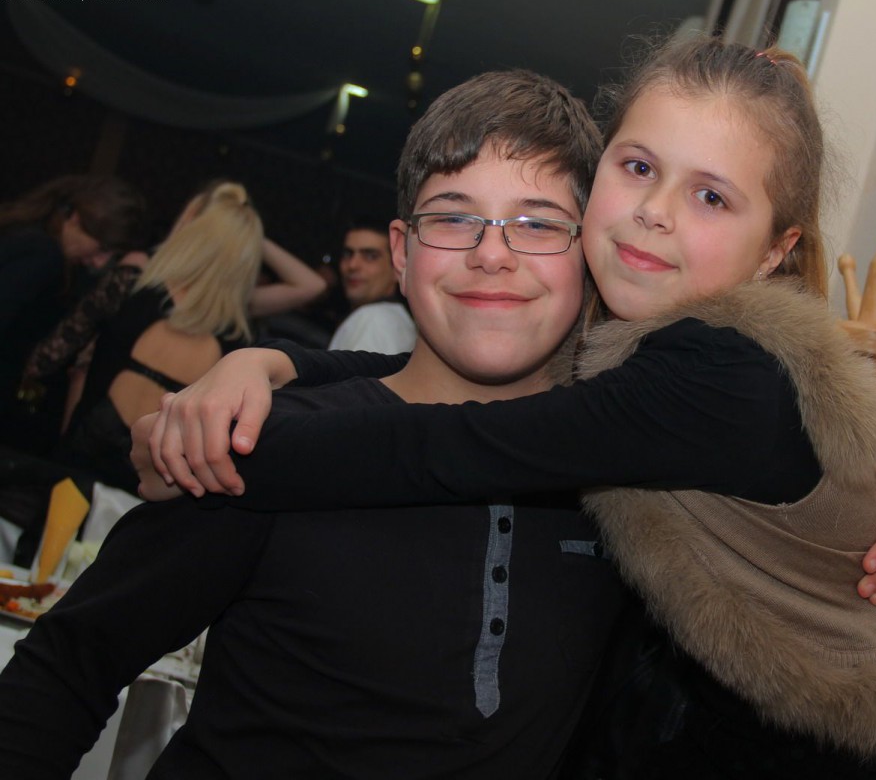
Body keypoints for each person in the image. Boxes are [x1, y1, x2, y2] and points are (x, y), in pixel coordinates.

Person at [140, 40, 876, 777]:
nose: (654, 213)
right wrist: (274, 361)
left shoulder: (716, 367)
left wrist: (217, 445)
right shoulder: (636, 343)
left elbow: (448, 443)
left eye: (710, 197)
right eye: (638, 168)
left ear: (775, 251)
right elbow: (435, 378)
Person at [0, 69, 633, 779]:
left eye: (537, 224)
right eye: (453, 218)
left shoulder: (623, 486)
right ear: (402, 253)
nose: (491, 254)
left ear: (588, 259)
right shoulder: (268, 443)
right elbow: (68, 667)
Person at [54, 182, 271, 495]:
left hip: (85, 458)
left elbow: (83, 371)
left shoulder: (137, 290)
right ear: (246, 260)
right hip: (153, 482)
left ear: (191, 233)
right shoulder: (238, 342)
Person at [0, 175, 146, 451]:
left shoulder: (27, 231)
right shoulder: (44, 255)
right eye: (102, 247)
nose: (100, 262)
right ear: (76, 219)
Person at [327, 217, 416, 353]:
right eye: (347, 254)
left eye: (370, 256)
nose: (352, 265)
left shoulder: (374, 319)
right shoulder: (394, 318)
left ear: (397, 268)